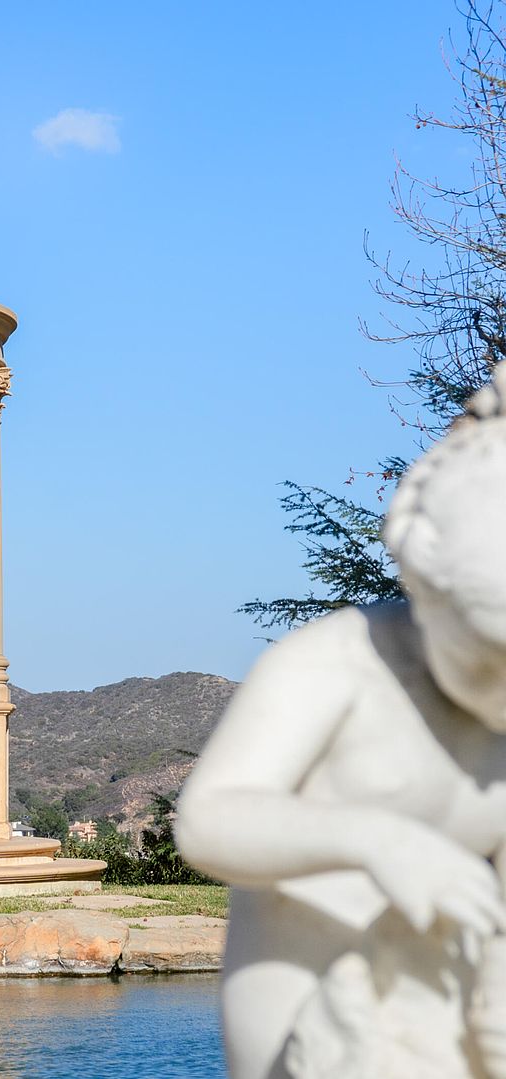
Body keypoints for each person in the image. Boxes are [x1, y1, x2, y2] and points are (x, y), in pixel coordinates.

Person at [177, 369, 506, 1079]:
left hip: (451, 1012)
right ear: (426, 581)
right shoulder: (341, 660)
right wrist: (377, 840)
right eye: (485, 662)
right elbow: (206, 820)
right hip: (314, 1015)